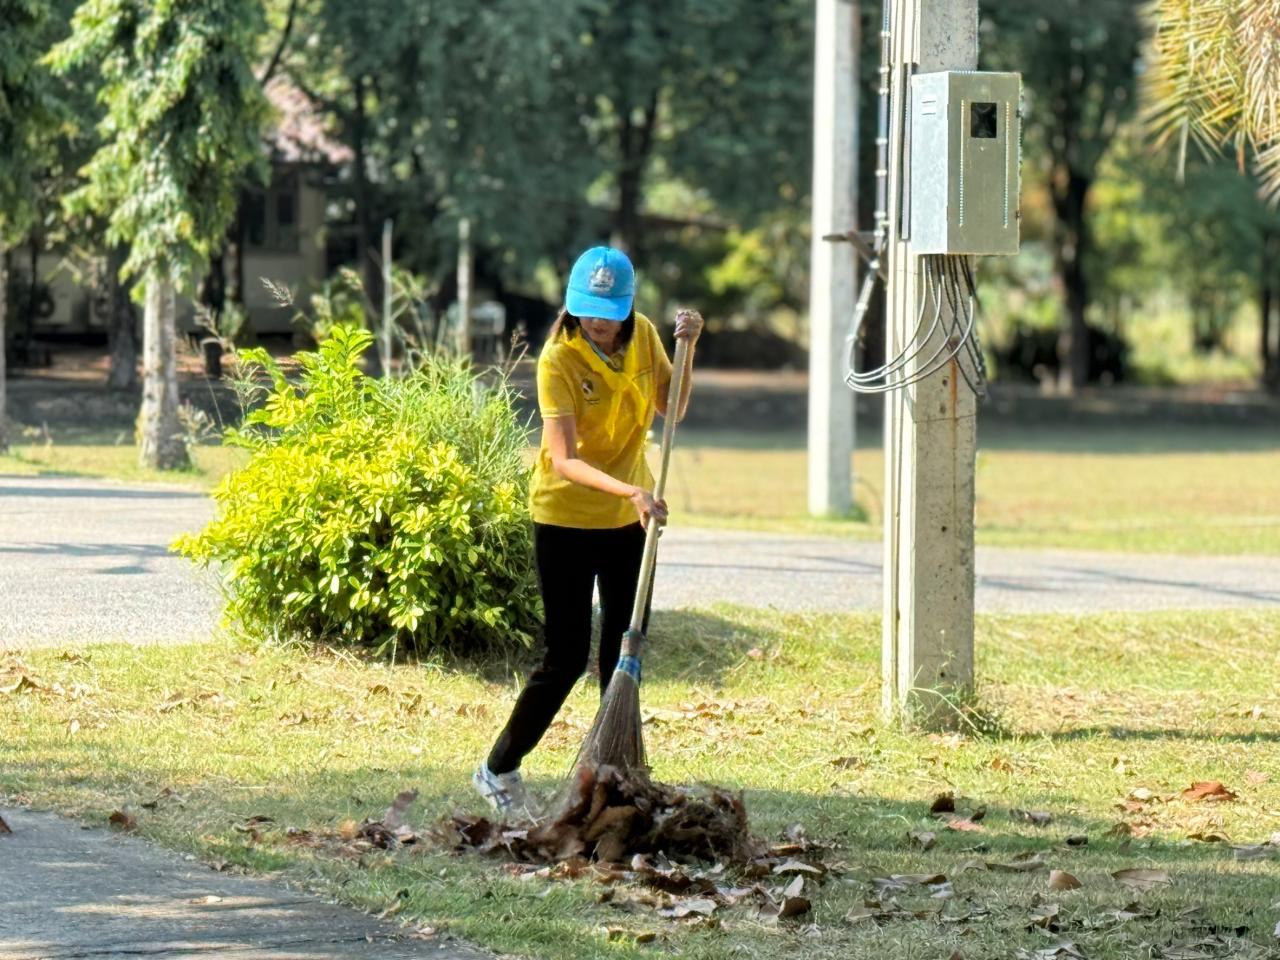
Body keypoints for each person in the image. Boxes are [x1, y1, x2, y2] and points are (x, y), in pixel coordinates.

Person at [473, 246, 702, 814]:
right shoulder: (558, 359)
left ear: (628, 307)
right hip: (566, 518)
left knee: (625, 653)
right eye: (588, 308)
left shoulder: (645, 336)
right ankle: (497, 768)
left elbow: (670, 409)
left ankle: (612, 779)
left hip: (629, 520)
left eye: (609, 309)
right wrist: (632, 491)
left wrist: (690, 347)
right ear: (572, 305)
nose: (599, 320)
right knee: (567, 655)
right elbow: (564, 459)